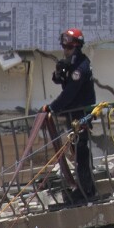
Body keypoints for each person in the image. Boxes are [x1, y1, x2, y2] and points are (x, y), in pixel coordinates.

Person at [44, 28, 97, 201]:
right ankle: (82, 187)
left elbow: (70, 93)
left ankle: (85, 191)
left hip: (81, 114)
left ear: (76, 47)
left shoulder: (80, 67)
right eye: (64, 47)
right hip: (72, 114)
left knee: (81, 151)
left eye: (68, 48)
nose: (65, 51)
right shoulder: (71, 64)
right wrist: (59, 71)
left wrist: (52, 108)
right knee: (75, 151)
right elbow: (59, 80)